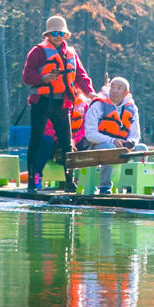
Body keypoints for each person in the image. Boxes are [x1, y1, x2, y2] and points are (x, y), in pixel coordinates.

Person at [22, 15, 94, 192]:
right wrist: (43, 78)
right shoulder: (37, 52)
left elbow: (81, 76)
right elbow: (27, 76)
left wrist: (90, 92)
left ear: (65, 35)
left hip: (62, 103)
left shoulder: (71, 53)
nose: (57, 36)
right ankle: (32, 180)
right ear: (47, 34)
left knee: (66, 142)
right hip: (41, 102)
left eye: (61, 33)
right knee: (36, 140)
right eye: (54, 33)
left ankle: (69, 180)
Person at [82, 76, 145, 193]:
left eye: (119, 88)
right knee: (109, 148)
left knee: (142, 149)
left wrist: (131, 142)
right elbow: (90, 134)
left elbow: (135, 134)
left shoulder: (132, 109)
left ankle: (132, 188)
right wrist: (112, 140)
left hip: (122, 146)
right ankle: (105, 187)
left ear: (126, 93)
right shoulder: (98, 105)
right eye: (112, 87)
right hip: (99, 144)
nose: (114, 90)